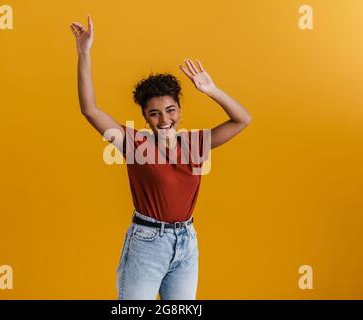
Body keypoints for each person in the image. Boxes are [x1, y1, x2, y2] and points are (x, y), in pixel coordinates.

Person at [70, 16, 252, 300]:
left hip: (187, 242)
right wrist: (84, 53)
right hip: (146, 243)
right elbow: (90, 110)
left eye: (170, 110)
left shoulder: (194, 144)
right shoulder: (135, 144)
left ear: (179, 110)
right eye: (154, 113)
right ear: (145, 117)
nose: (164, 119)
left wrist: (210, 89)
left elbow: (242, 119)